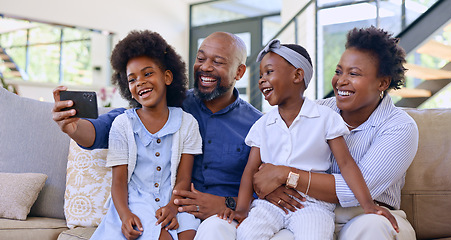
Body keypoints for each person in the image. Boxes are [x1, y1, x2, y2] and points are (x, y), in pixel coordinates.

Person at [52, 31, 264, 238]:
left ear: (239, 72)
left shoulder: (257, 125)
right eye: (200, 59)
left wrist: (226, 203)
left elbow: (266, 190)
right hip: (170, 209)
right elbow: (106, 128)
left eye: (218, 62)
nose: (205, 67)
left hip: (221, 219)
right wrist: (73, 127)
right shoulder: (169, 101)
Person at [217, 39, 397, 240]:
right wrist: (242, 209)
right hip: (269, 204)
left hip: (313, 204)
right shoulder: (262, 124)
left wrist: (368, 205)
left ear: (297, 75)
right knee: (246, 235)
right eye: (260, 75)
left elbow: (346, 164)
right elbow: (251, 169)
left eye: (269, 72)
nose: (261, 80)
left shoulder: (326, 117)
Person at [252, 26, 419, 239]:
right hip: (308, 210)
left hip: (367, 214)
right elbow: (266, 164)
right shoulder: (317, 111)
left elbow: (354, 192)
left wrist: (285, 175)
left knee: (373, 228)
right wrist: (272, 187)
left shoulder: (399, 127)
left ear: (382, 82)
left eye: (354, 73)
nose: (341, 81)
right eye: (339, 71)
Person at [88, 30, 202, 240]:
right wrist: (125, 215)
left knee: (189, 234)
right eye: (132, 79)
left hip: (173, 198)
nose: (140, 81)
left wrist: (172, 207)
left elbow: (184, 177)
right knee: (162, 237)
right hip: (135, 200)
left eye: (148, 73)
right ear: (127, 87)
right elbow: (119, 182)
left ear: (167, 76)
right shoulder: (123, 124)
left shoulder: (187, 123)